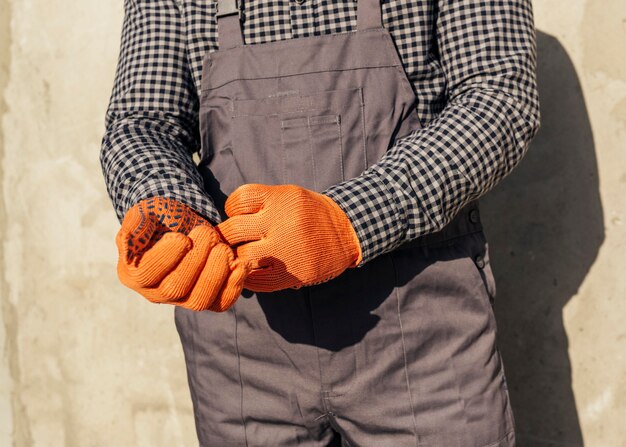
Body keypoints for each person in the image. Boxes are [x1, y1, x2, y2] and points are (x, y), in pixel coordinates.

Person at [100, 0, 540, 445]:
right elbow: (143, 122)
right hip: (243, 352)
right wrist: (169, 213)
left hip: (421, 335)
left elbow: (499, 98)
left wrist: (348, 221)